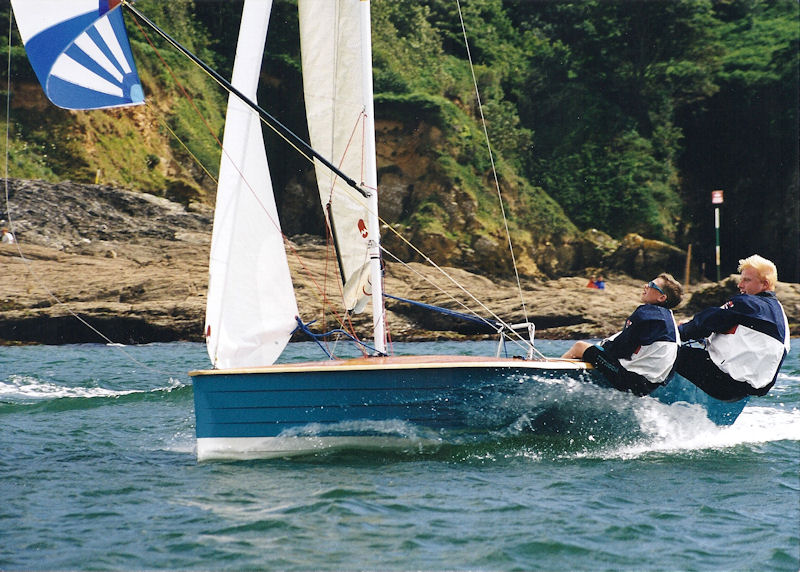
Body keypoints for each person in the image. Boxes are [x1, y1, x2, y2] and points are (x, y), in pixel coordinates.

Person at [676, 254, 790, 401]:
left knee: (672, 352)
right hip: (748, 390)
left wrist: (678, 332)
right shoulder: (780, 314)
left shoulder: (748, 303)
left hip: (725, 382)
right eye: (741, 279)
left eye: (746, 280)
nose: (740, 285)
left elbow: (708, 321)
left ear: (765, 284)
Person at [562, 273, 683, 396]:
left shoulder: (647, 314)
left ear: (662, 297)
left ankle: (553, 376)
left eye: (652, 285)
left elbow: (619, 349)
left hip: (630, 381)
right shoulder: (669, 320)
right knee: (593, 352)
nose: (646, 285)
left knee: (580, 347)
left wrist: (594, 353)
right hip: (649, 387)